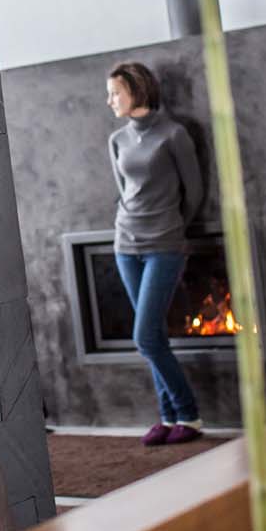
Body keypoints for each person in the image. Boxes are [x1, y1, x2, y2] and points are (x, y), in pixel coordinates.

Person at [104, 61, 205, 445]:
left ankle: (189, 415)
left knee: (144, 336)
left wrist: (172, 226)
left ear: (136, 91)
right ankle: (167, 417)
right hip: (125, 244)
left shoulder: (174, 135)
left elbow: (194, 193)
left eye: (115, 93)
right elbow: (124, 191)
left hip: (164, 245)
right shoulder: (117, 140)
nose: (110, 100)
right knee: (153, 336)